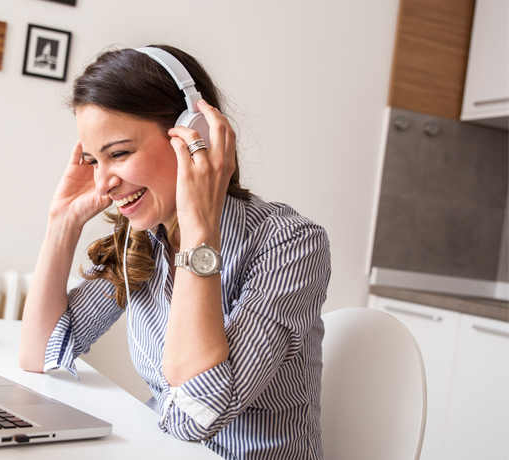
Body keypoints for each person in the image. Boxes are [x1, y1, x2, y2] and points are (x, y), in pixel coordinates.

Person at [18, 44, 331, 460]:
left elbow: (196, 416)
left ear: (193, 134)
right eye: (93, 160)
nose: (102, 184)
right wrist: (62, 222)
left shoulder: (290, 244)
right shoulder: (143, 240)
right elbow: (40, 354)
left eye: (120, 153)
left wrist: (199, 229)